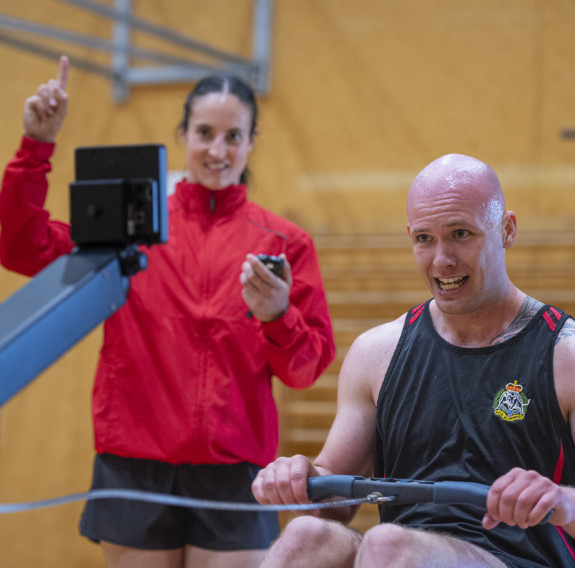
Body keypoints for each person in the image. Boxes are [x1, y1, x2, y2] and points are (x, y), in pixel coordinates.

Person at [0, 56, 336, 568]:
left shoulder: (285, 244)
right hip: (134, 467)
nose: (218, 150)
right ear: (182, 134)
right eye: (205, 132)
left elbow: (305, 369)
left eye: (233, 136)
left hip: (233, 472)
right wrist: (36, 146)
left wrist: (277, 315)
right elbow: (19, 245)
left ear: (251, 141)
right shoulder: (130, 230)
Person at [252, 153, 575, 567]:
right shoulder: (376, 353)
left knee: (388, 545)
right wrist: (299, 479)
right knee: (305, 535)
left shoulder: (563, 354)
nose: (442, 259)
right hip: (398, 552)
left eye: (460, 234)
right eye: (424, 238)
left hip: (512, 559)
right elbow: (332, 504)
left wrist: (561, 500)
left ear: (506, 230)